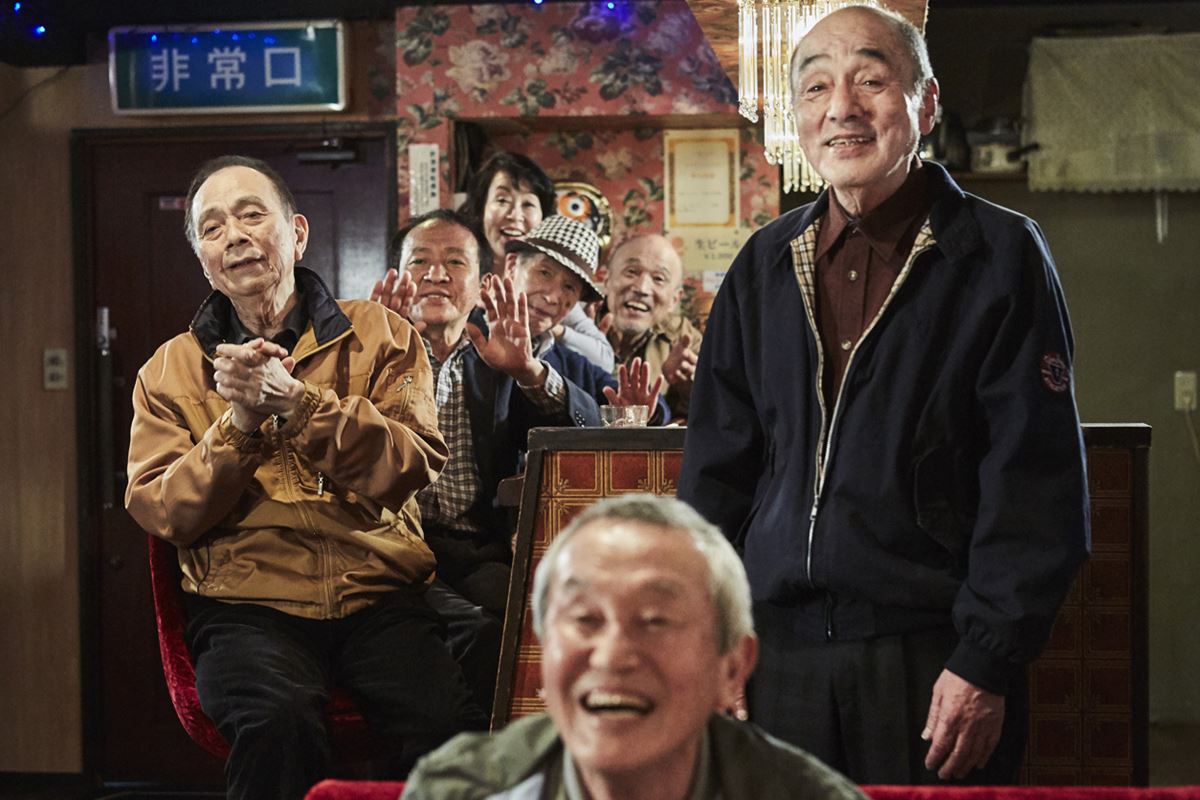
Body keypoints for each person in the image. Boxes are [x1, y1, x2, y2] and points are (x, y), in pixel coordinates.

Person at [677, 4, 1090, 785]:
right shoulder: (763, 264)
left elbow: (1034, 483)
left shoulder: (998, 254)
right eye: (816, 87)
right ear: (796, 116)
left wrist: (986, 661)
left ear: (925, 104)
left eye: (870, 80)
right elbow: (714, 479)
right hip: (776, 657)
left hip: (932, 656)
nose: (842, 108)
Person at [124, 156, 485, 800]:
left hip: (378, 594)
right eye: (212, 227)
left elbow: (409, 465)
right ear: (204, 260)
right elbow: (164, 510)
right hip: (245, 606)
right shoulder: (167, 371)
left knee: (448, 728)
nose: (234, 235)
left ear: (297, 233)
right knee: (276, 723)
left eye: (251, 214)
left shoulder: (382, 335)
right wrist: (239, 424)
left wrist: (298, 405)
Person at [401, 494, 868, 800]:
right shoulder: (459, 790)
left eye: (655, 621)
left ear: (732, 668)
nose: (611, 656)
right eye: (584, 620)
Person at [378, 210, 662, 712]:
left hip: (475, 546)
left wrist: (529, 370)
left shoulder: (498, 351)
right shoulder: (367, 344)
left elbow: (580, 425)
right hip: (387, 546)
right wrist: (372, 355)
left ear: (481, 282)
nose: (436, 274)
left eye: (455, 262)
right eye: (420, 261)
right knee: (461, 635)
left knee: (550, 615)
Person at [461, 151, 615, 372]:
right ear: (481, 208)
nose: (514, 215)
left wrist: (547, 324)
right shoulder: (462, 274)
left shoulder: (556, 291)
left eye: (528, 204)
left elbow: (604, 359)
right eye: (502, 200)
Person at [600, 234, 702, 421]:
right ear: (607, 281)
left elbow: (711, 416)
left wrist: (687, 389)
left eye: (658, 278)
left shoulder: (684, 341)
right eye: (631, 272)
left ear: (674, 299)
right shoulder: (574, 327)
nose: (642, 288)